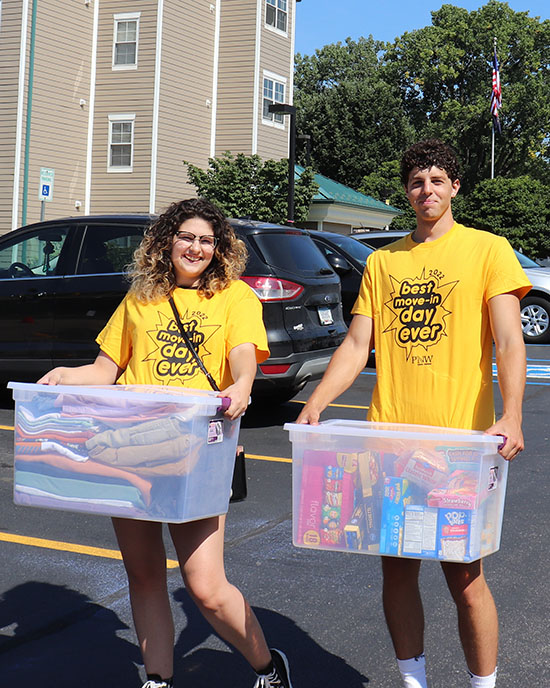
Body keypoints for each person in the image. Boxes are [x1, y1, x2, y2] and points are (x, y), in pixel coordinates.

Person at [296, 139, 531, 688]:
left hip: (459, 449)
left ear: (454, 187)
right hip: (391, 447)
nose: (426, 190)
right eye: (416, 181)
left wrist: (513, 413)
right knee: (396, 571)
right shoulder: (384, 262)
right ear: (407, 191)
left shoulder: (488, 250)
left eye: (436, 180)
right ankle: (412, 680)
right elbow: (358, 346)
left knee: (465, 578)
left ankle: (483, 684)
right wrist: (316, 402)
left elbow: (508, 340)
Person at [38, 198, 293, 688]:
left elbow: (244, 357)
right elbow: (104, 370)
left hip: (196, 452)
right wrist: (65, 377)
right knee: (145, 576)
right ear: (166, 242)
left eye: (205, 240)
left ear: (218, 248)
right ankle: (158, 679)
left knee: (206, 587)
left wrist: (242, 385)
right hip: (133, 447)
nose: (195, 247)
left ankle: (268, 667)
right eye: (186, 237)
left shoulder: (235, 297)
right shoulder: (141, 298)